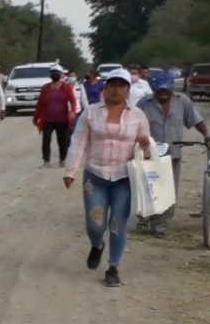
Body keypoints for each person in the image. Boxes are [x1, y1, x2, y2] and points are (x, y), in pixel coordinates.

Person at [63, 69, 153, 288]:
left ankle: (113, 267)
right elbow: (78, 141)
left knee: (118, 223)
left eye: (121, 86)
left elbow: (148, 150)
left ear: (128, 90)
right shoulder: (91, 112)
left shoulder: (138, 115)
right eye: (112, 85)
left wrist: (145, 146)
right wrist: (70, 171)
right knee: (96, 223)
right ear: (106, 88)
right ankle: (97, 244)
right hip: (96, 175)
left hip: (124, 177)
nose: (116, 89)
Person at [135, 71, 210, 237]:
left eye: (166, 90)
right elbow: (132, 125)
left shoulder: (182, 101)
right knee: (150, 189)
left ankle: (160, 227)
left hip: (173, 154)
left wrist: (206, 134)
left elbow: (196, 120)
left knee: (169, 191)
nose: (162, 93)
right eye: (159, 90)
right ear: (154, 89)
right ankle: (146, 216)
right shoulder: (144, 103)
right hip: (150, 155)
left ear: (172, 88)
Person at [33, 64, 78, 168]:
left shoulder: (66, 87)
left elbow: (73, 101)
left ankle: (62, 159)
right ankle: (46, 161)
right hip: (48, 119)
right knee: (46, 140)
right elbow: (40, 104)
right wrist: (36, 118)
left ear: (61, 74)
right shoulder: (45, 88)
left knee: (62, 140)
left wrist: (72, 111)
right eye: (53, 73)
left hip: (62, 119)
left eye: (56, 73)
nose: (54, 75)